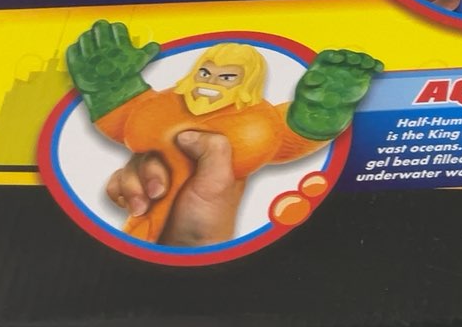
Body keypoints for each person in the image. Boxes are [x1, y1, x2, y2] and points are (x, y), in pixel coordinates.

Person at [65, 21, 380, 246]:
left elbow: (290, 135)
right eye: (206, 72)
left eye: (227, 77)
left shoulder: (257, 122)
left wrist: (322, 110)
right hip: (139, 242)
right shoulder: (158, 107)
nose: (211, 82)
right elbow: (125, 119)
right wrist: (111, 87)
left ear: (247, 83)